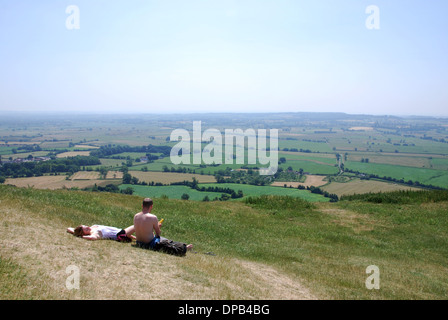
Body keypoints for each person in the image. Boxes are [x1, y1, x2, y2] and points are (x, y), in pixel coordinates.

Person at [67, 224, 136, 242]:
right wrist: (81, 237)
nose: (87, 226)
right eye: (86, 229)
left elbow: (69, 228)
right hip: (120, 234)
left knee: (136, 237)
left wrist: (75, 233)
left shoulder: (93, 227)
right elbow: (93, 238)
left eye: (85, 226)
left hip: (120, 231)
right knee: (137, 225)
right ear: (84, 233)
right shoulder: (95, 232)